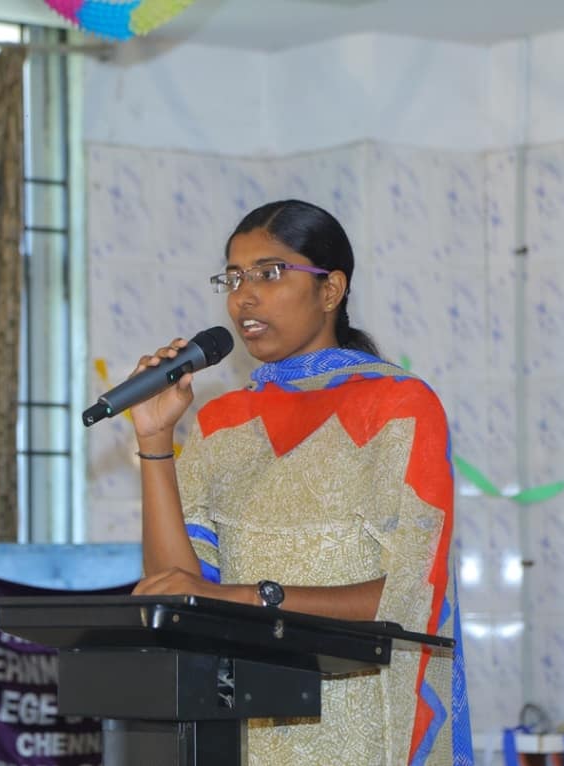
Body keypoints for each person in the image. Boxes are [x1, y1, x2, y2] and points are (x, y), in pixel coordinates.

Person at [128, 199, 472, 765]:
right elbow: (179, 588)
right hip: (244, 729)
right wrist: (154, 438)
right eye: (233, 278)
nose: (243, 297)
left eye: (268, 273)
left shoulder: (400, 407)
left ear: (330, 289)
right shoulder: (221, 422)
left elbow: (412, 596)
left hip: (364, 728)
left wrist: (249, 598)